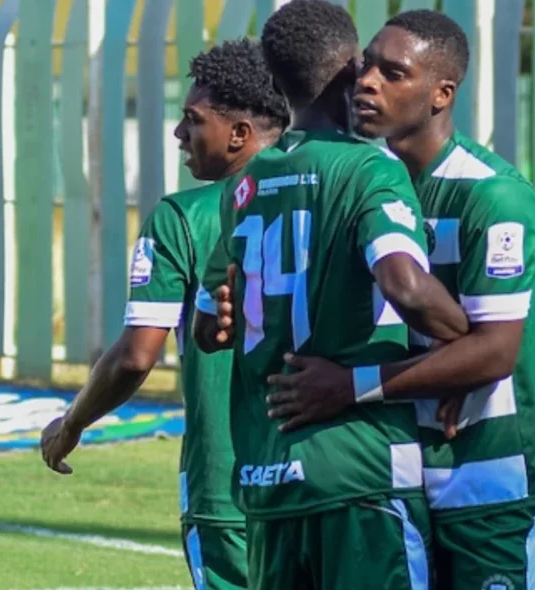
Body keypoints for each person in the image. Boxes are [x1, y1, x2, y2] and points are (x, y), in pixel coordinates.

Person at [262, 10, 535, 590]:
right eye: (366, 66)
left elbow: (497, 352)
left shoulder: (493, 195)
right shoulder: (361, 181)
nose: (367, 82)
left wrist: (348, 386)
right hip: (396, 477)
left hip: (491, 482)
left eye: (393, 73)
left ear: (441, 93)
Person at [191, 1, 471, 588]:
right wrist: (470, 349)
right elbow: (405, 285)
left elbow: (208, 327)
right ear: (350, 67)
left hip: (269, 478)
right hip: (359, 472)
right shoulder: (370, 170)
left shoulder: (246, 181)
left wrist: (227, 319)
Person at [38, 39, 289, 590]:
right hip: (324, 478)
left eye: (192, 120)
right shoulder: (333, 195)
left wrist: (71, 422)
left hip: (229, 484)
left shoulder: (184, 216)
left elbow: (135, 356)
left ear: (240, 134)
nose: (179, 135)